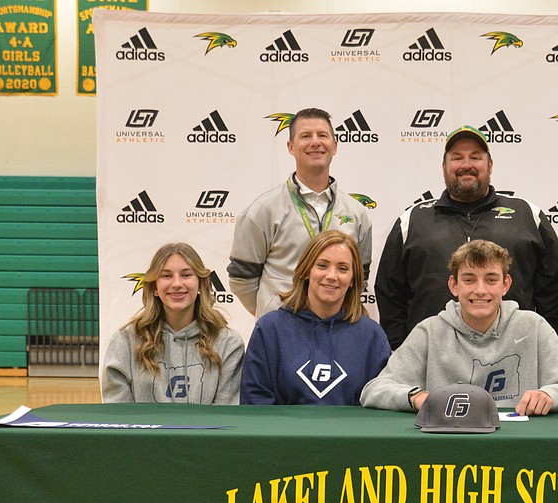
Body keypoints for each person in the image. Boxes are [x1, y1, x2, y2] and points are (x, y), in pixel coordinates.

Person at [374, 125, 558, 349]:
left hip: (512, 353)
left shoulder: (526, 215)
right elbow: (390, 294)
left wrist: (539, 342)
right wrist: (405, 349)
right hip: (432, 354)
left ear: (490, 165)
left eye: (475, 157)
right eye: (457, 158)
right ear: (444, 166)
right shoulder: (413, 220)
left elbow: (554, 287)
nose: (466, 165)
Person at [361, 239, 558, 416]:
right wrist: (415, 397)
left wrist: (549, 395)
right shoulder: (429, 331)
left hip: (518, 446)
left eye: (491, 280)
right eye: (469, 280)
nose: (480, 290)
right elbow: (374, 390)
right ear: (454, 285)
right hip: (447, 447)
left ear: (505, 285)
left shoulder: (534, 326)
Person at [228, 107, 372, 319]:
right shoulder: (263, 210)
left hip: (336, 330)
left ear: (335, 146)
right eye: (306, 136)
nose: (315, 142)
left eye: (322, 135)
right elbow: (242, 280)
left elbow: (360, 277)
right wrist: (273, 314)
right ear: (291, 147)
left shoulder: (357, 213)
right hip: (282, 335)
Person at [240, 230, 390, 405]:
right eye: (322, 265)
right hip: (283, 432)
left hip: (350, 432)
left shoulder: (372, 336)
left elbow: (379, 403)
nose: (331, 276)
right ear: (306, 271)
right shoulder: (269, 329)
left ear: (352, 280)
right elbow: (255, 402)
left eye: (342, 268)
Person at [103, 242, 243, 404]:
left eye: (186, 275)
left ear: (200, 284)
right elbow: (120, 415)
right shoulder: (126, 341)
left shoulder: (228, 344)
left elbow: (226, 415)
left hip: (203, 430)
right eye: (166, 276)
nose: (177, 284)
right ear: (154, 286)